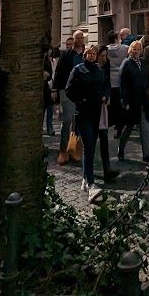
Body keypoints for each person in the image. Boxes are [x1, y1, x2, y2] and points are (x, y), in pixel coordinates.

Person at [65, 43, 107, 202]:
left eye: (94, 54)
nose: (91, 56)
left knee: (91, 147)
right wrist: (79, 100)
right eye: (89, 53)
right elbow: (69, 90)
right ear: (85, 55)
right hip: (82, 114)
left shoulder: (99, 69)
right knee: (88, 146)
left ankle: (85, 179)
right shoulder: (78, 70)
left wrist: (105, 95)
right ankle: (91, 183)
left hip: (96, 113)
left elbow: (105, 85)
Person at [118, 41, 149, 163]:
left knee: (145, 128)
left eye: (138, 49)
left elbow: (146, 78)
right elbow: (122, 84)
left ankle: (146, 154)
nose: (137, 51)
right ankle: (121, 149)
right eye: (134, 49)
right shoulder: (126, 63)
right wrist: (125, 101)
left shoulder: (143, 63)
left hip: (143, 100)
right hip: (132, 101)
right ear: (130, 50)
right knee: (129, 127)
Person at [54, 32, 84, 165]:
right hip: (67, 91)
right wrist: (55, 89)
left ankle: (74, 149)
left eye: (81, 38)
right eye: (77, 38)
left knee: (77, 121)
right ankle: (62, 150)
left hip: (81, 93)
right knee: (67, 120)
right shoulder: (66, 55)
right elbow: (58, 71)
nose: (79, 40)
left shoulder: (86, 54)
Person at [95, 47, 119, 184]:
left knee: (104, 137)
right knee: (93, 141)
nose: (104, 58)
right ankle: (92, 172)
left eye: (105, 55)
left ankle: (106, 169)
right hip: (92, 109)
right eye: (102, 56)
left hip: (103, 107)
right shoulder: (90, 68)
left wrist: (107, 94)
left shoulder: (106, 64)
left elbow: (107, 82)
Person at [106, 30, 127, 137]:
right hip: (120, 80)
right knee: (120, 105)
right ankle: (120, 126)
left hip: (110, 80)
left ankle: (112, 123)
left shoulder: (106, 50)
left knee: (112, 104)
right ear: (116, 38)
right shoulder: (124, 48)